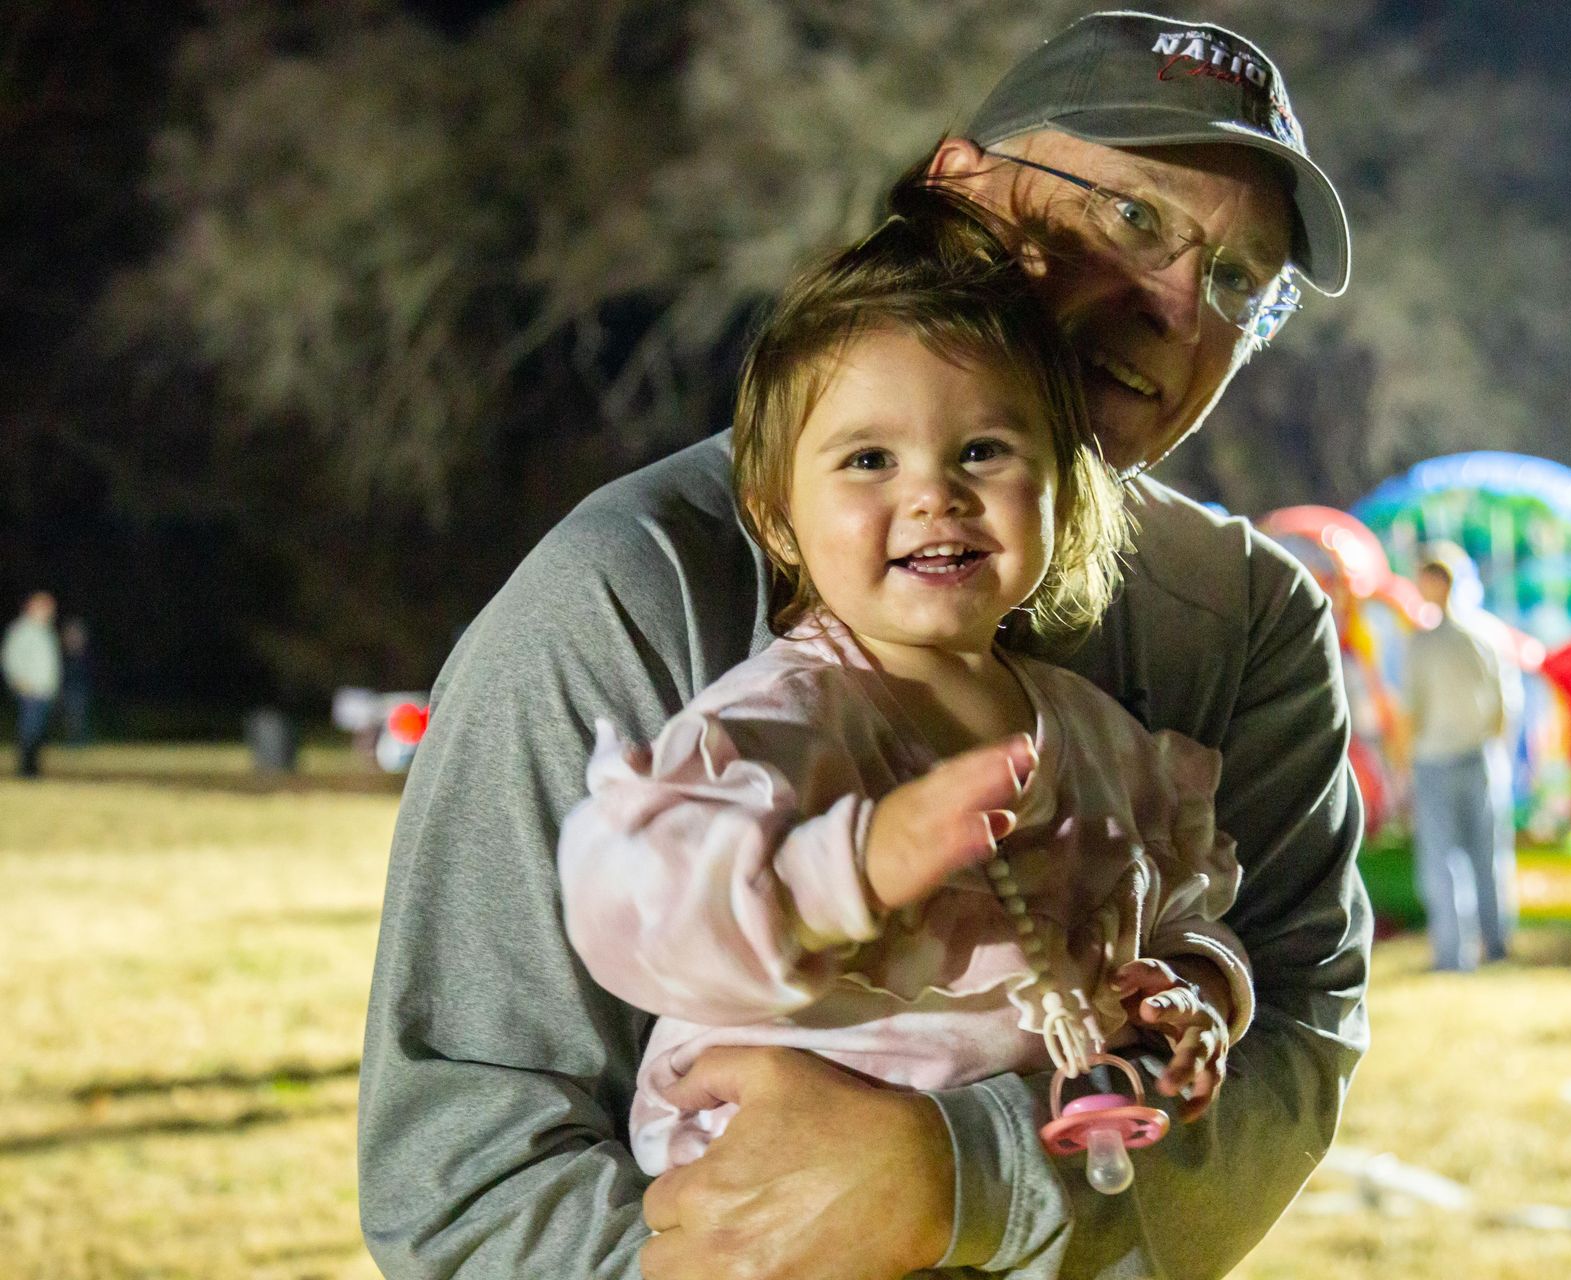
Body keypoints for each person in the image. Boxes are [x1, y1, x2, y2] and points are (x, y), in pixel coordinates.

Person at [360, 12, 1372, 1279]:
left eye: (1238, 280)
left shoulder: (1247, 617)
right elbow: (467, 1156)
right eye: (1130, 218)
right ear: (961, 195)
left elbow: (1297, 1020)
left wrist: (970, 1180)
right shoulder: (629, 586)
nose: (1174, 304)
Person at [558, 189, 1248, 1184]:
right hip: (770, 1187)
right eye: (870, 459)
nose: (935, 492)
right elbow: (629, 900)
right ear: (780, 517)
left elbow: (1181, 900)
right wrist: (852, 869)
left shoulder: (1099, 736)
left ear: (1062, 489)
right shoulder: (787, 718)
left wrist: (1190, 987)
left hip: (1003, 1184)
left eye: (984, 451)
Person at [1403, 544, 1523, 972]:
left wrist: (1403, 761)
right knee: (1487, 855)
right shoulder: (1488, 635)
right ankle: (1495, 944)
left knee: (1445, 861)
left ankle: (1453, 956)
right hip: (1478, 758)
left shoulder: (1424, 643)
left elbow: (1411, 712)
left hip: (1438, 759)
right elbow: (1507, 704)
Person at [3, 590, 61, 779]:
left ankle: (33, 770)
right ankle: (26, 771)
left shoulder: (45, 631)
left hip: (44, 691)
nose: (50, 611)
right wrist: (18, 680)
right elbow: (10, 657)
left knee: (39, 732)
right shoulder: (22, 630)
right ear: (32, 607)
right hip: (29, 690)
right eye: (45, 606)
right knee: (29, 730)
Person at [59, 618, 92, 745]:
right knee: (68, 718)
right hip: (65, 689)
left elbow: (88, 674)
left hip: (80, 690)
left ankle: (80, 741)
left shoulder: (85, 655)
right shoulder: (62, 654)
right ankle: (72, 741)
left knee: (79, 716)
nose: (73, 636)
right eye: (70, 633)